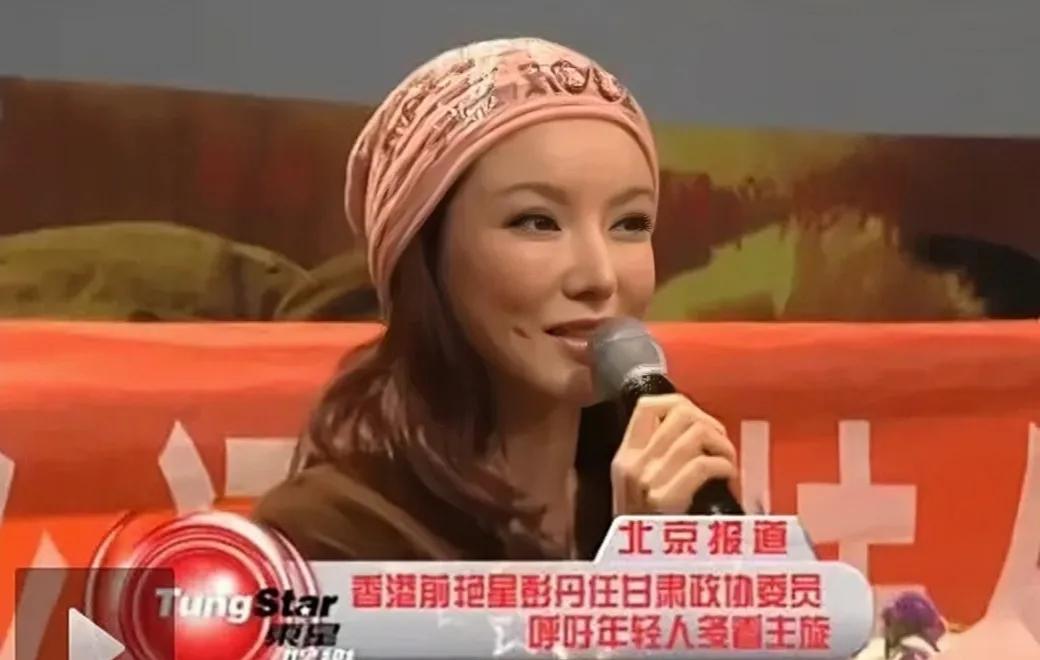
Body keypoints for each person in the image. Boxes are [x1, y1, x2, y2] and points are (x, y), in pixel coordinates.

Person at [254, 37, 739, 561]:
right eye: (537, 222)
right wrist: (636, 573)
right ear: (424, 253)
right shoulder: (327, 537)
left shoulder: (673, 493)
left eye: (630, 223)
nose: (600, 277)